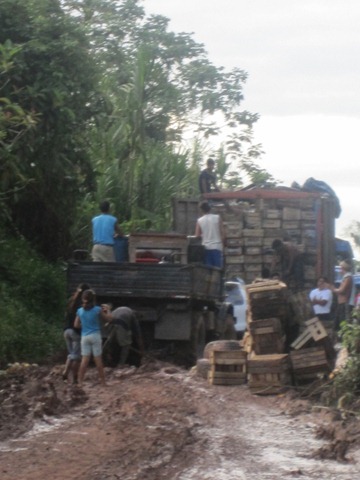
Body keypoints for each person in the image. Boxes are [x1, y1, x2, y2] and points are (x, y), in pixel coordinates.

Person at [74, 289, 112, 387]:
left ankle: (80, 382)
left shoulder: (80, 311)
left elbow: (76, 325)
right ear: (93, 299)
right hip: (95, 336)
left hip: (84, 337)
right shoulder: (97, 310)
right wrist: (108, 310)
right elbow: (109, 319)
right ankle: (103, 382)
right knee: (98, 360)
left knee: (84, 360)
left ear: (83, 299)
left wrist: (85, 325)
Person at [63, 283, 90, 383]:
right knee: (77, 358)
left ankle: (65, 374)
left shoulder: (71, 301)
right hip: (75, 333)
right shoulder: (82, 306)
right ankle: (74, 378)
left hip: (66, 330)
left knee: (71, 354)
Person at [195, 200, 225, 268]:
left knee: (208, 269)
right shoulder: (217, 217)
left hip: (206, 247)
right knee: (218, 269)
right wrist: (223, 244)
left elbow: (197, 235)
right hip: (217, 247)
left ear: (201, 210)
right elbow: (223, 233)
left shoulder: (199, 220)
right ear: (210, 209)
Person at [332, 260, 355, 331]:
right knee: (338, 323)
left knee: (344, 324)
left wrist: (333, 289)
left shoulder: (348, 277)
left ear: (343, 268)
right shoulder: (346, 277)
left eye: (340, 268)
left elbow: (342, 290)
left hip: (345, 304)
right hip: (342, 304)